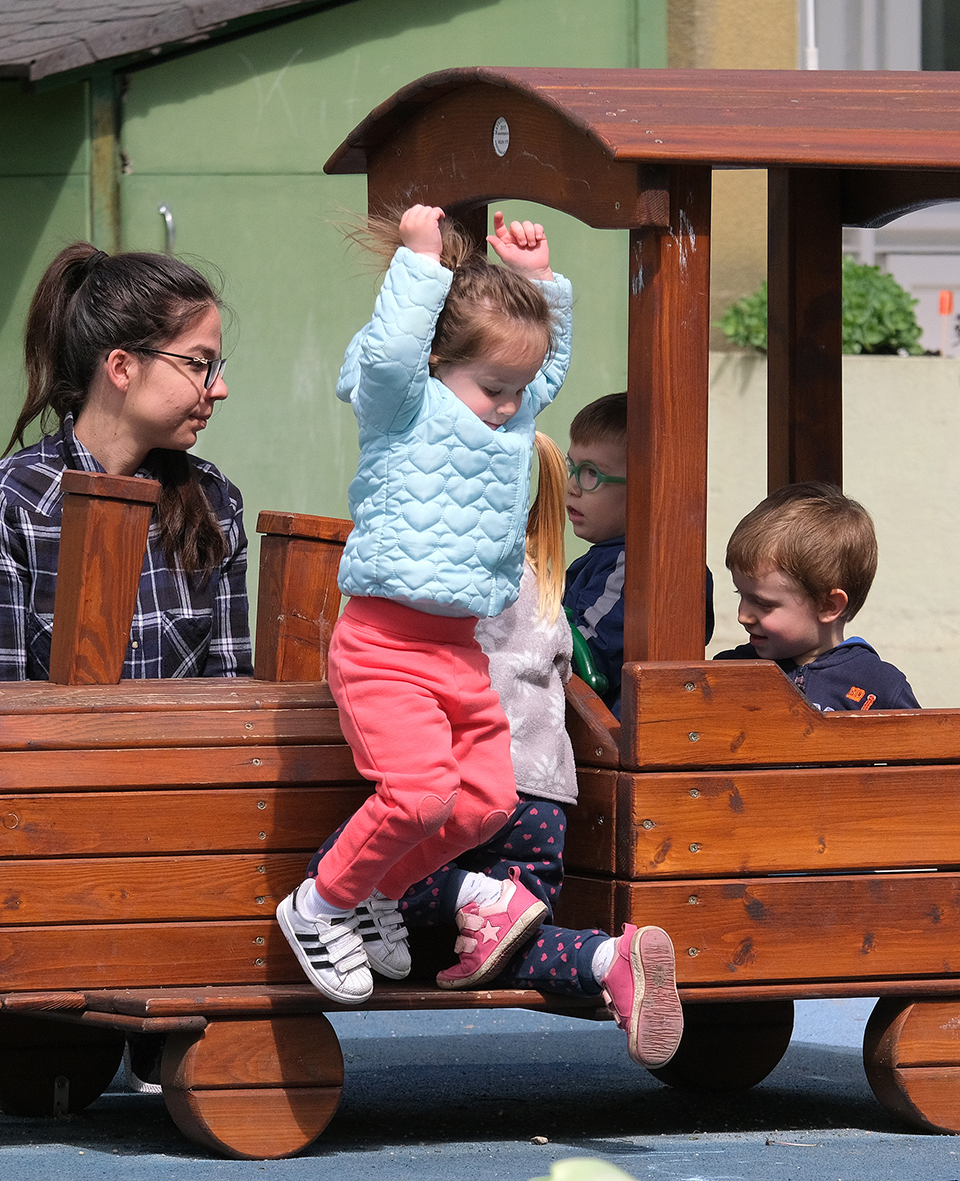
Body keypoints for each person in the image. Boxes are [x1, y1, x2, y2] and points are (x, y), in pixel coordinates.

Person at [0, 241, 250, 1090]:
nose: (216, 387)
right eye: (199, 364)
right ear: (121, 365)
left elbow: (231, 701)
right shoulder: (5, 503)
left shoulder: (213, 501)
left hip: (183, 827)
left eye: (216, 365)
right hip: (57, 829)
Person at [304, 434, 683, 1066]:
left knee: (342, 869)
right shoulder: (544, 579)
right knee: (513, 938)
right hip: (548, 798)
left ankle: (468, 894)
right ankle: (607, 959)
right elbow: (565, 670)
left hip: (476, 782)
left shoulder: (449, 576)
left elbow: (410, 667)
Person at [276, 205, 570, 1008]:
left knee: (485, 801)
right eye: (492, 386)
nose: (511, 405)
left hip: (457, 650)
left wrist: (534, 284)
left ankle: (374, 888)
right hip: (383, 644)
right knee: (419, 793)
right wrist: (419, 261)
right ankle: (321, 903)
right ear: (440, 361)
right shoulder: (403, 406)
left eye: (518, 390)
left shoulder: (509, 427)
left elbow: (539, 371)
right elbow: (390, 354)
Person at [561, 392, 714, 718]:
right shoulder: (604, 559)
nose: (572, 485)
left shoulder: (636, 566)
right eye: (572, 466)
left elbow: (585, 658)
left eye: (590, 473)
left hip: (615, 736)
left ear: (646, 488)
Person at [712, 482, 919, 711]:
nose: (743, 616)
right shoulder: (729, 673)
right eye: (740, 594)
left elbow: (923, 745)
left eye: (763, 604)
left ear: (828, 606)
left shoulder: (879, 687)